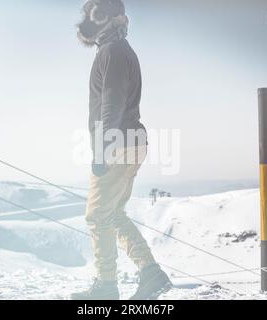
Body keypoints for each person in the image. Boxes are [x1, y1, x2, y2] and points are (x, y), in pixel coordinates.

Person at [72, 0, 172, 300]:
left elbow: (111, 103)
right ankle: (151, 274)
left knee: (97, 216)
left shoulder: (112, 52)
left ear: (104, 19)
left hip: (117, 142)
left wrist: (101, 150)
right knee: (113, 214)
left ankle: (106, 287)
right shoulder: (119, 50)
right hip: (131, 142)